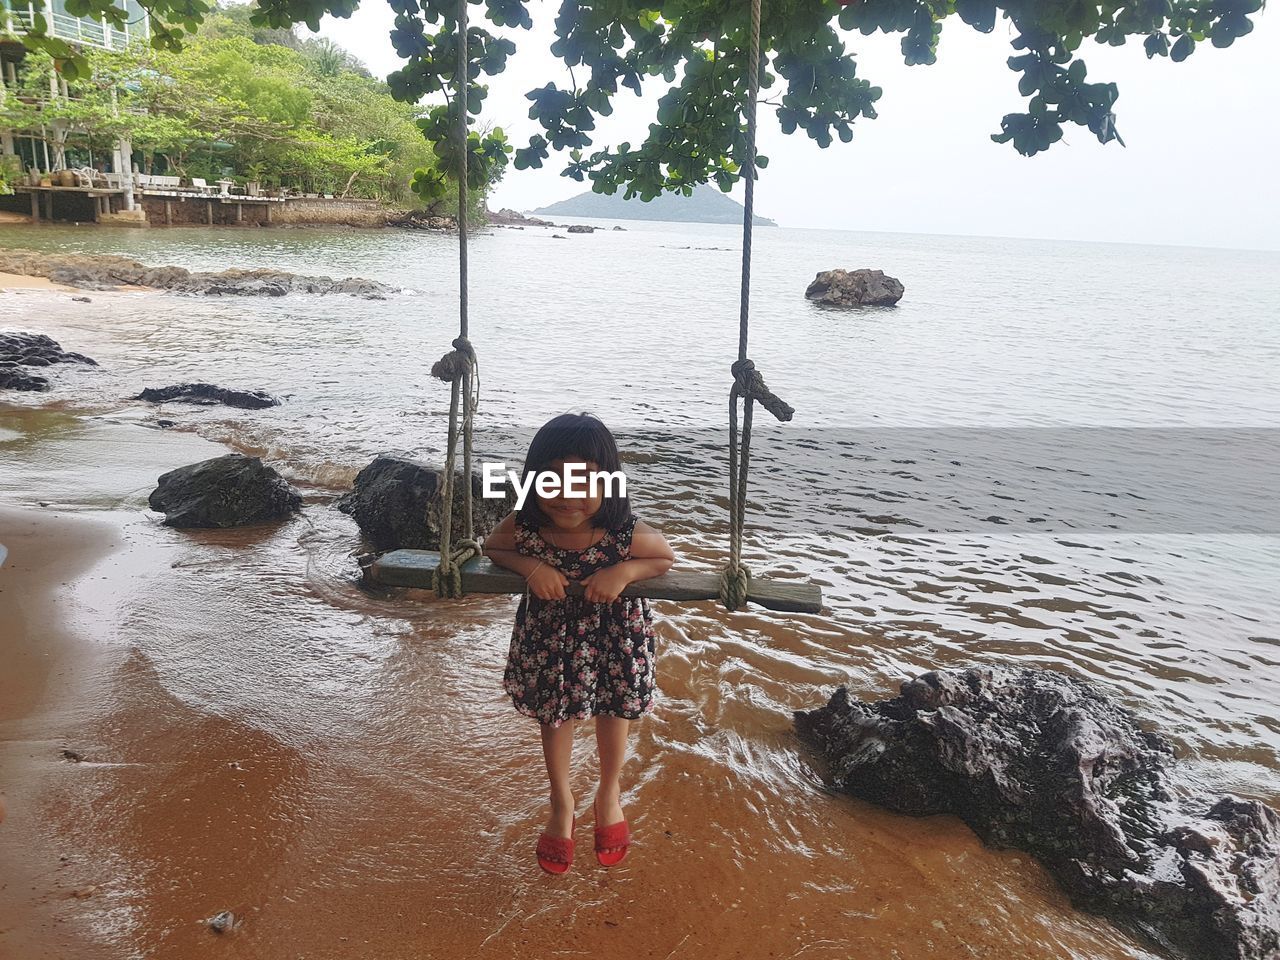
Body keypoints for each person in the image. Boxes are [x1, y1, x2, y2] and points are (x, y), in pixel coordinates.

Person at [484, 413, 675, 874]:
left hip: (615, 636)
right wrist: (532, 568)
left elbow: (664, 557)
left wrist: (623, 571)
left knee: (616, 710)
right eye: (551, 481)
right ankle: (561, 801)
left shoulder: (625, 532)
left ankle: (608, 794)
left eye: (583, 482)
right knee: (555, 712)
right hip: (551, 638)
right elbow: (493, 547)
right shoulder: (524, 527)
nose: (567, 495)